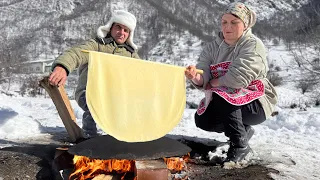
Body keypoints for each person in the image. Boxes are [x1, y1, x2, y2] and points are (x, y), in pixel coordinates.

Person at [185, 2, 277, 163]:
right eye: (224, 22)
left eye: (234, 22)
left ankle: (240, 145)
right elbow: (203, 73)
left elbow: (238, 78)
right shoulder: (212, 48)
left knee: (222, 94)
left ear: (245, 24)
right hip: (228, 101)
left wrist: (214, 83)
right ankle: (242, 131)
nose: (228, 27)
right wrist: (195, 77)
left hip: (257, 104)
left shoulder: (253, 45)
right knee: (203, 120)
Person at [49, 10, 140, 138]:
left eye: (126, 30)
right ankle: (89, 136)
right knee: (100, 101)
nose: (121, 33)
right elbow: (76, 54)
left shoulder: (131, 55)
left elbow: (142, 74)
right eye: (118, 27)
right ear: (111, 28)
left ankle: (123, 138)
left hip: (116, 97)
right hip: (88, 93)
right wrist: (62, 67)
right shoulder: (97, 45)